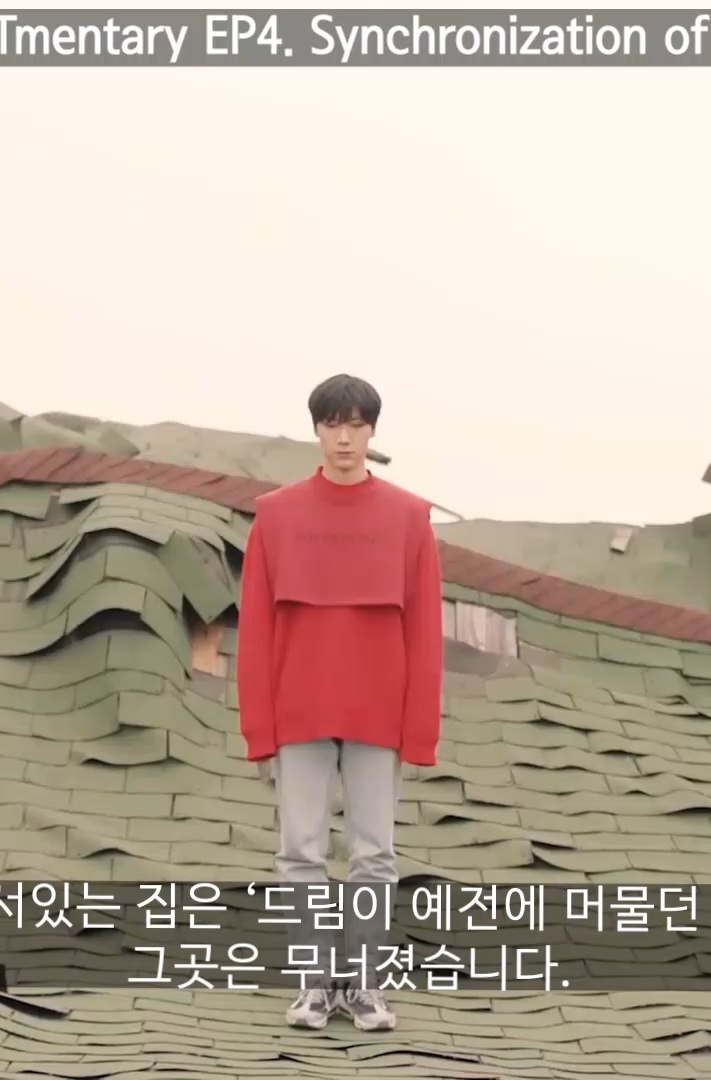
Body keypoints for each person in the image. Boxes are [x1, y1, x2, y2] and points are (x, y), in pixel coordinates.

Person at [236, 373, 444, 1033]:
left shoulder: (409, 518)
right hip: (298, 709)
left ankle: (366, 988)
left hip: (378, 713)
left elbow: (424, 631)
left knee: (374, 854)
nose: (345, 438)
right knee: (300, 851)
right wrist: (258, 729)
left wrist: (420, 733)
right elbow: (255, 630)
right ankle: (312, 986)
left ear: (372, 431)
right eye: (333, 424)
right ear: (317, 430)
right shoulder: (276, 516)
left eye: (356, 424)